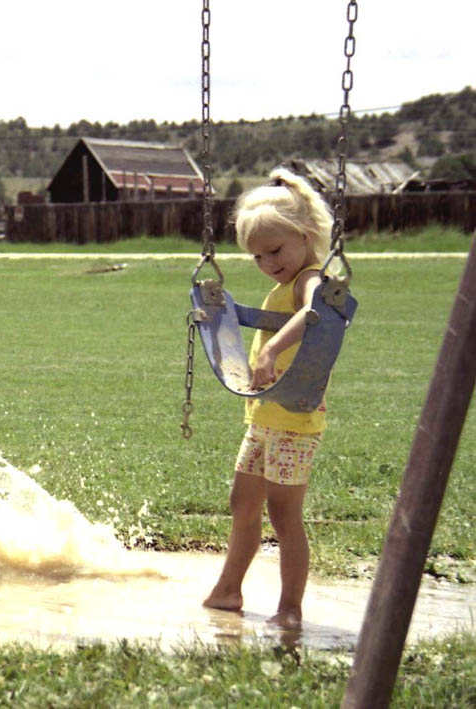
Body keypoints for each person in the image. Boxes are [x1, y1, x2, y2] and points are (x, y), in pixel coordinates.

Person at [202, 167, 335, 629]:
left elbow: (317, 311)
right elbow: (262, 320)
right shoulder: (281, 286)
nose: (268, 263)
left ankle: (291, 608)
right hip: (264, 415)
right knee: (243, 503)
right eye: (258, 257)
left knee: (283, 513)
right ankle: (227, 590)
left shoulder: (310, 279)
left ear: (305, 235)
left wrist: (274, 349)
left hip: (295, 419)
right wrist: (217, 313)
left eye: (275, 250)